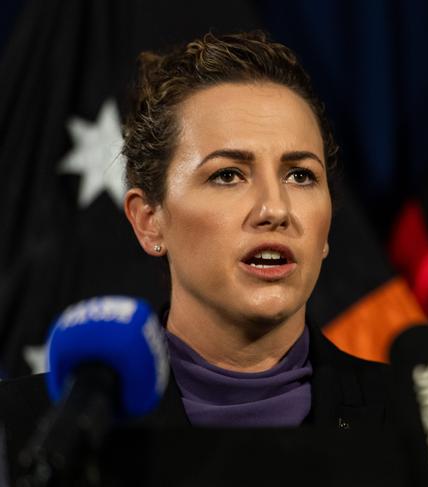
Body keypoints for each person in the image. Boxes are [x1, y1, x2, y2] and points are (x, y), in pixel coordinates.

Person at [0, 32, 393, 451]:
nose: (275, 209)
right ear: (150, 221)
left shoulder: (418, 423)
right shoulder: (26, 429)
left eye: (300, 175)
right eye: (228, 175)